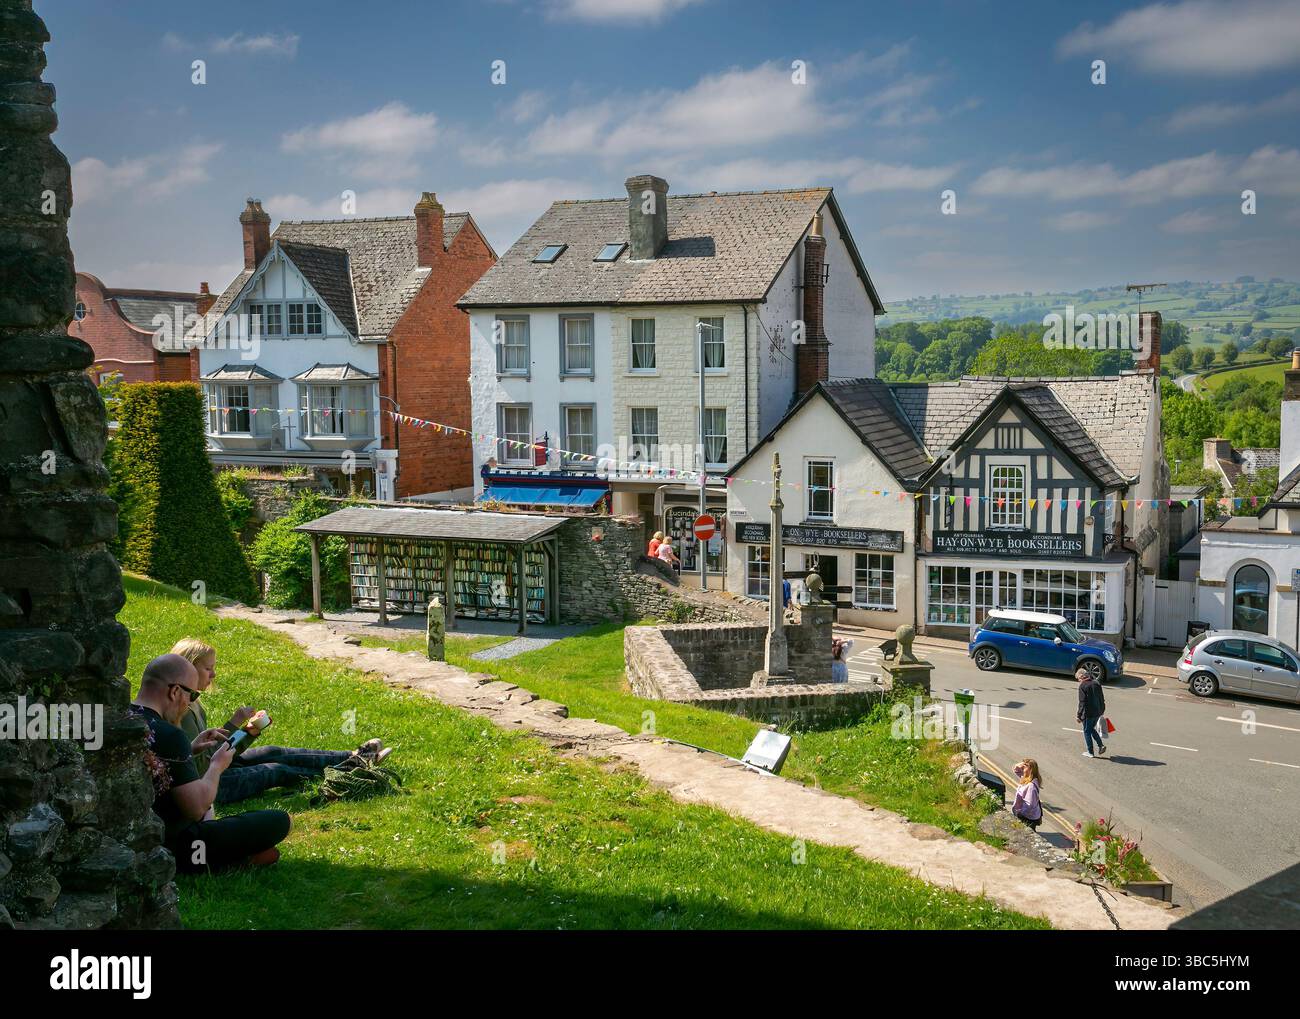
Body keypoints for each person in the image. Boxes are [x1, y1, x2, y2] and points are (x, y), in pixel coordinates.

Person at [172, 638, 390, 805]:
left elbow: (216, 753)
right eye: (208, 669)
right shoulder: (180, 712)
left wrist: (248, 732)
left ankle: (353, 757)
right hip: (207, 785)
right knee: (274, 770)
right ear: (189, 668)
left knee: (272, 751)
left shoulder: (194, 703)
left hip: (214, 770)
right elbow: (204, 762)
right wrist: (235, 726)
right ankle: (348, 773)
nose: (214, 674)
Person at [129, 654, 289, 872]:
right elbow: (197, 807)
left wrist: (189, 749)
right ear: (175, 691)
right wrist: (217, 765)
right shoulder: (169, 734)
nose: (188, 704)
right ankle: (225, 861)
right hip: (172, 845)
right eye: (192, 695)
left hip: (128, 836)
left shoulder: (122, 719)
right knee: (279, 821)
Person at [1076, 667, 1107, 758]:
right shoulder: (1096, 683)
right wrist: (1102, 710)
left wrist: (1078, 715)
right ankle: (1101, 746)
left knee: (1086, 731)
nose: (1078, 681)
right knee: (1091, 729)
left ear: (1081, 676)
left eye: (1078, 679)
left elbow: (1082, 702)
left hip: (1088, 713)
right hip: (1098, 711)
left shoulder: (1083, 686)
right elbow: (1101, 698)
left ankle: (1090, 752)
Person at [1012, 758, 1043, 830]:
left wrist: (1020, 813)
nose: (1022, 768)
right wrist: (1022, 764)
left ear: (1030, 770)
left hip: (1028, 817)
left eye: (1025, 767)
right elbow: (1016, 770)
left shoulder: (1031, 786)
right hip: (1028, 815)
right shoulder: (1025, 778)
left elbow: (1030, 805)